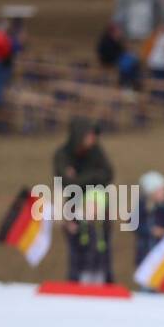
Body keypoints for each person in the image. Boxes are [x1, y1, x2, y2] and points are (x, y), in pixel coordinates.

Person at [52, 117, 114, 282]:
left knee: (102, 249)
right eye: (90, 135)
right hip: (73, 208)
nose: (93, 139)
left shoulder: (96, 151)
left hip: (99, 209)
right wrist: (93, 177)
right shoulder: (62, 155)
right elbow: (65, 183)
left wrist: (79, 177)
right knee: (77, 250)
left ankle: (104, 283)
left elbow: (108, 174)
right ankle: (75, 284)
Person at [133, 170, 164, 271]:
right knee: (146, 285)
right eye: (160, 190)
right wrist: (151, 231)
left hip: (163, 256)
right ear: (151, 192)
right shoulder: (141, 206)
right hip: (146, 254)